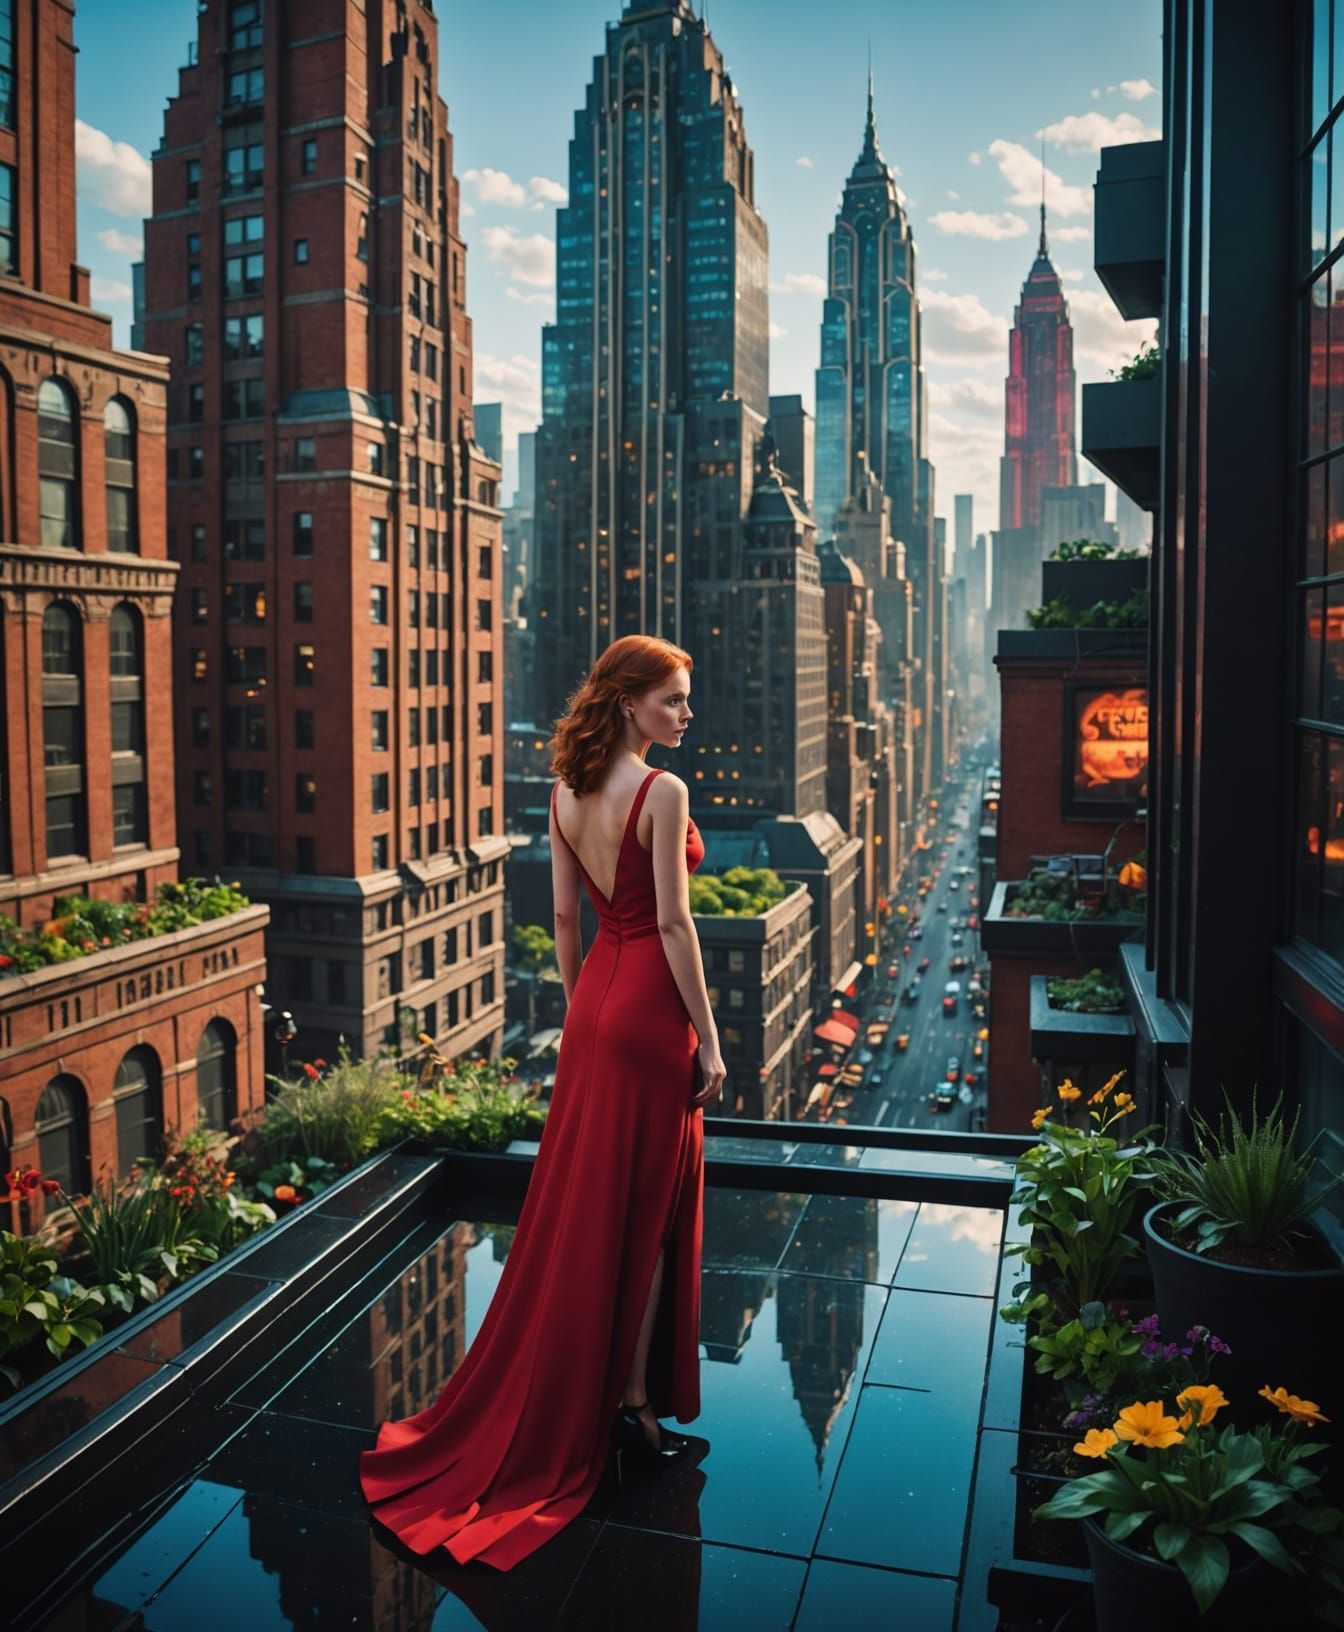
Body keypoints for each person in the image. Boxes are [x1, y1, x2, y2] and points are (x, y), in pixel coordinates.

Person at [359, 633, 727, 1572]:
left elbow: (564, 921)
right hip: (651, 1010)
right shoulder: (661, 792)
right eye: (674, 700)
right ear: (632, 703)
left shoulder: (563, 795)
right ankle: (633, 1406)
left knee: (592, 1206)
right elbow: (678, 925)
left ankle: (615, 1398)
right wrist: (710, 1041)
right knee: (647, 1212)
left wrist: (585, 1018)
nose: (686, 715)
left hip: (598, 1001)